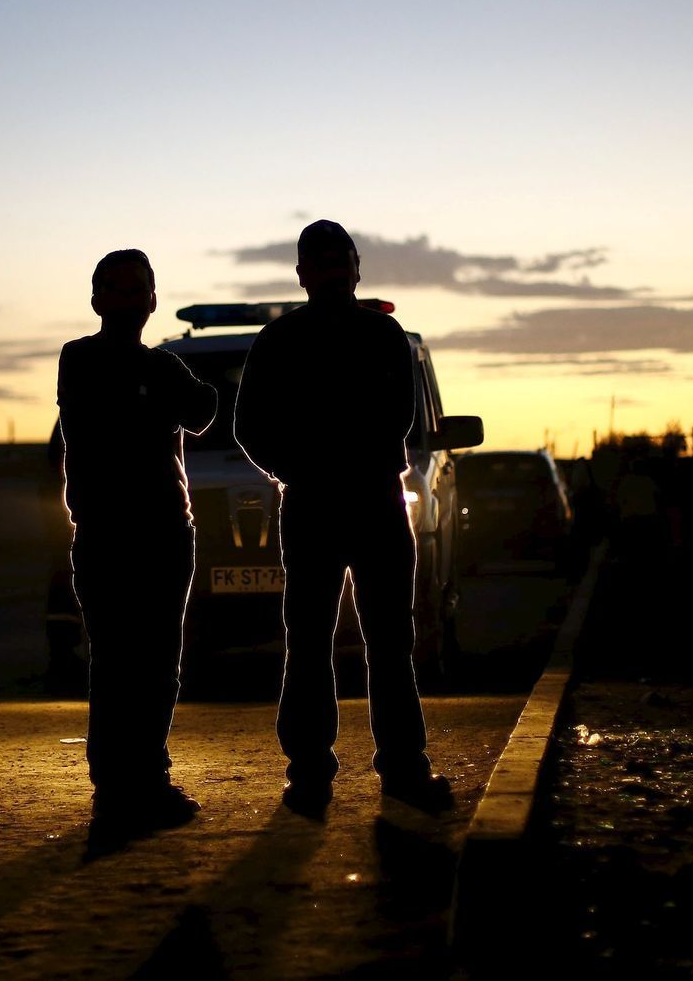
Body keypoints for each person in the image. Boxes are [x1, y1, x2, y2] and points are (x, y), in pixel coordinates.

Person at [234, 220, 452, 814]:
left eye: (340, 261)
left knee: (389, 641)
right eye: (320, 263)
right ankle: (310, 772)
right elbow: (249, 427)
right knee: (309, 641)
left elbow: (399, 417)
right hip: (315, 506)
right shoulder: (278, 341)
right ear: (303, 274)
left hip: (373, 502)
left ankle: (402, 769)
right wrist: (296, 472)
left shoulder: (384, 335)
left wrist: (309, 466)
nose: (332, 273)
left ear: (356, 268)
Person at [57, 249, 218, 830]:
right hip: (107, 535)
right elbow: (186, 404)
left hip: (167, 533)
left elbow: (202, 409)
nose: (132, 301)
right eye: (120, 291)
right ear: (98, 300)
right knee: (118, 661)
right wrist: (161, 390)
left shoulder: (161, 369)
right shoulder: (80, 359)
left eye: (140, 290)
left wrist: (162, 388)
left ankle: (146, 780)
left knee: (157, 664)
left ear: (153, 299)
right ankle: (117, 786)